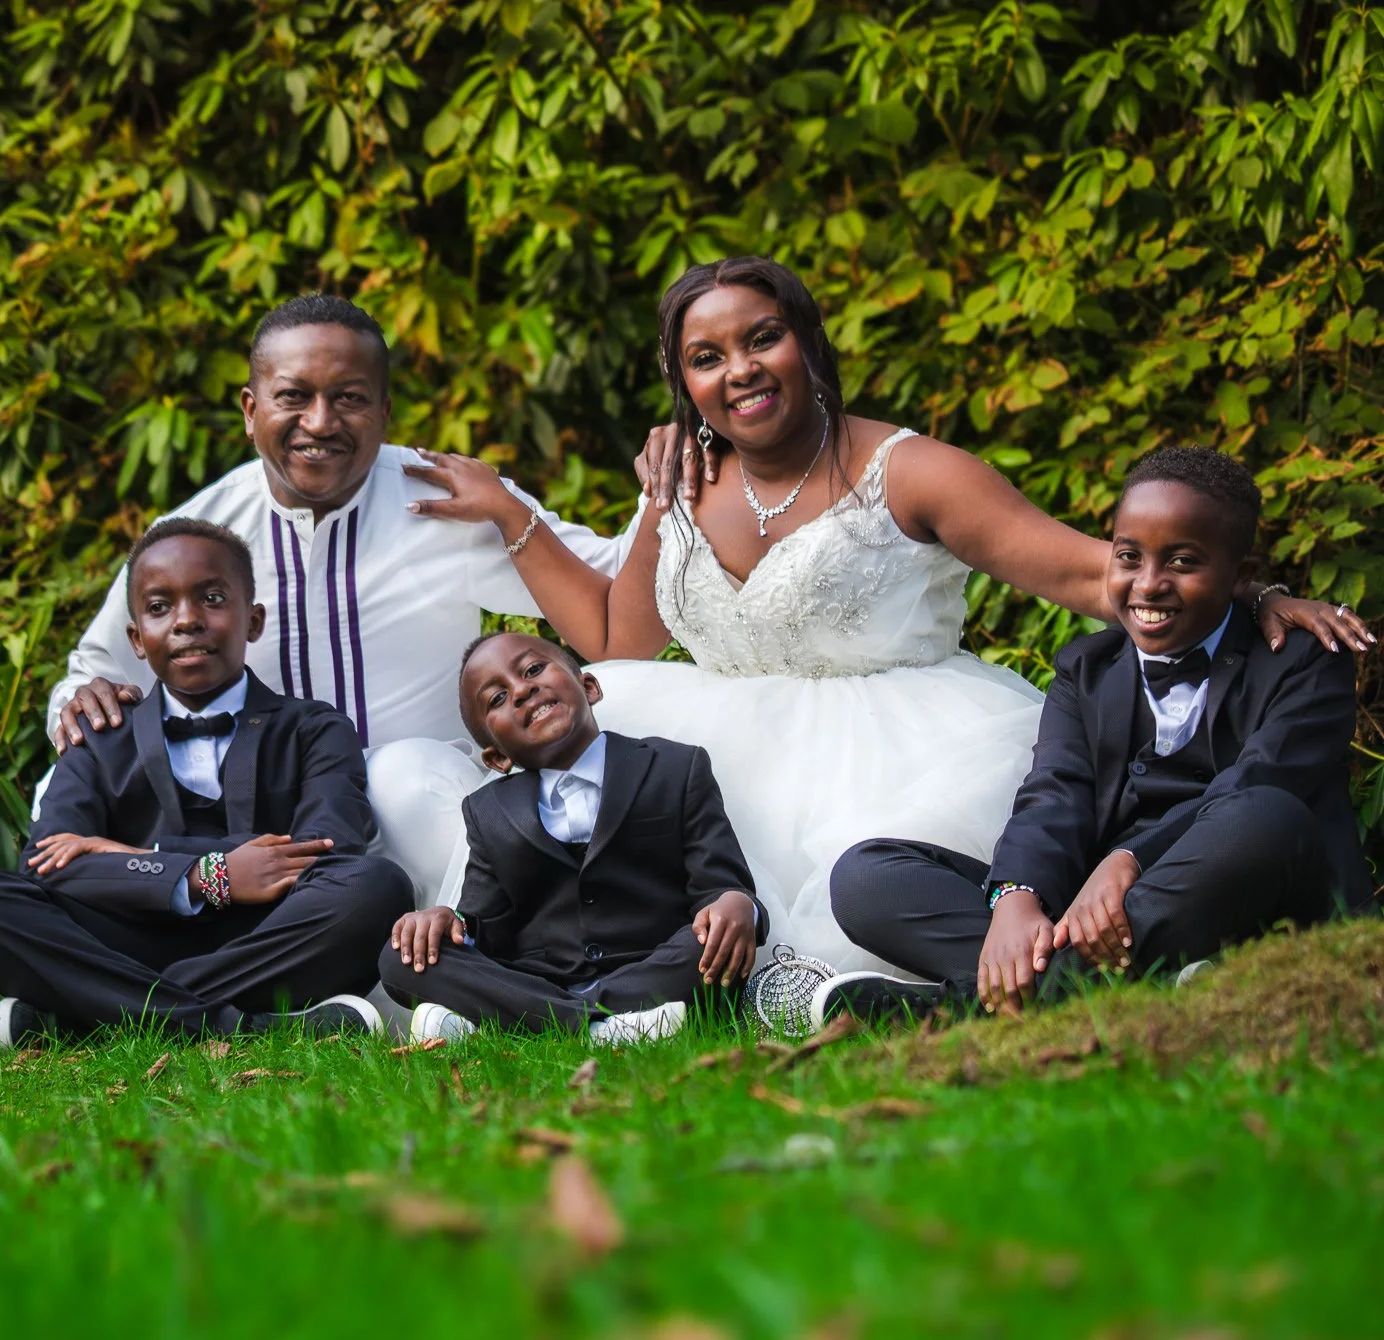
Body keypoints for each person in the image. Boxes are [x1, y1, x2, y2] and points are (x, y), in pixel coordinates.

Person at [413, 256, 1374, 971]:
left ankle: (1007, 982)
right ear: (686, 384)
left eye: (761, 338)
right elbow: (619, 642)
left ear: (807, 342)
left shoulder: (906, 470)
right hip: (722, 744)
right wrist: (511, 512)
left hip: (895, 744)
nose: (739, 369)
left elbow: (1097, 577)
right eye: (706, 358)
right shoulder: (679, 480)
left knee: (858, 884)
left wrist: (1257, 593)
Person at [44, 293, 634, 901]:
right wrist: (80, 698)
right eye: (294, 396)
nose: (321, 422)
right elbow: (96, 672)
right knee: (55, 790)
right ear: (251, 409)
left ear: (382, 411)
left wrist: (664, 485)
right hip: (253, 830)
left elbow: (612, 591)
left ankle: (459, 958)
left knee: (395, 775)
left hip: (424, 809)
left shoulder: (450, 500)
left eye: (348, 398)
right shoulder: (198, 535)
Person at [818, 447, 1375, 1023]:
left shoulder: (1306, 659)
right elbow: (1054, 792)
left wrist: (1130, 858)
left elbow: (1258, 777)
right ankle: (1119, 978)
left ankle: (962, 1006)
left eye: (1182, 563)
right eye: (1129, 556)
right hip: (1105, 915)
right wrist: (1016, 898)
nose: (1149, 584)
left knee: (1264, 814)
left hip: (1244, 886)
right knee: (866, 878)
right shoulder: (1087, 668)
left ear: (1238, 574)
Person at [0, 520, 412, 1045]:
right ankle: (245, 1028)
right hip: (119, 937)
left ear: (252, 621)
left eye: (211, 598)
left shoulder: (315, 729)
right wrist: (205, 875)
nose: (187, 621)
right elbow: (48, 869)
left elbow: (325, 852)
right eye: (160, 608)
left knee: (374, 888)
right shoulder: (98, 737)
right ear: (137, 640)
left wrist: (118, 854)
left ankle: (90, 1017)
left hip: (264, 938)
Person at [378, 632, 762, 1042]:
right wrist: (448, 922)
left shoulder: (676, 767)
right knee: (400, 958)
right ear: (497, 757)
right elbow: (485, 929)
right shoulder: (488, 811)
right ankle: (606, 1027)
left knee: (708, 943)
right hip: (539, 979)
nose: (522, 690)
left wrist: (739, 905)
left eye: (533, 669)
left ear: (588, 686)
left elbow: (720, 886)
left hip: (655, 962)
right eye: (497, 699)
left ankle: (528, 1023)